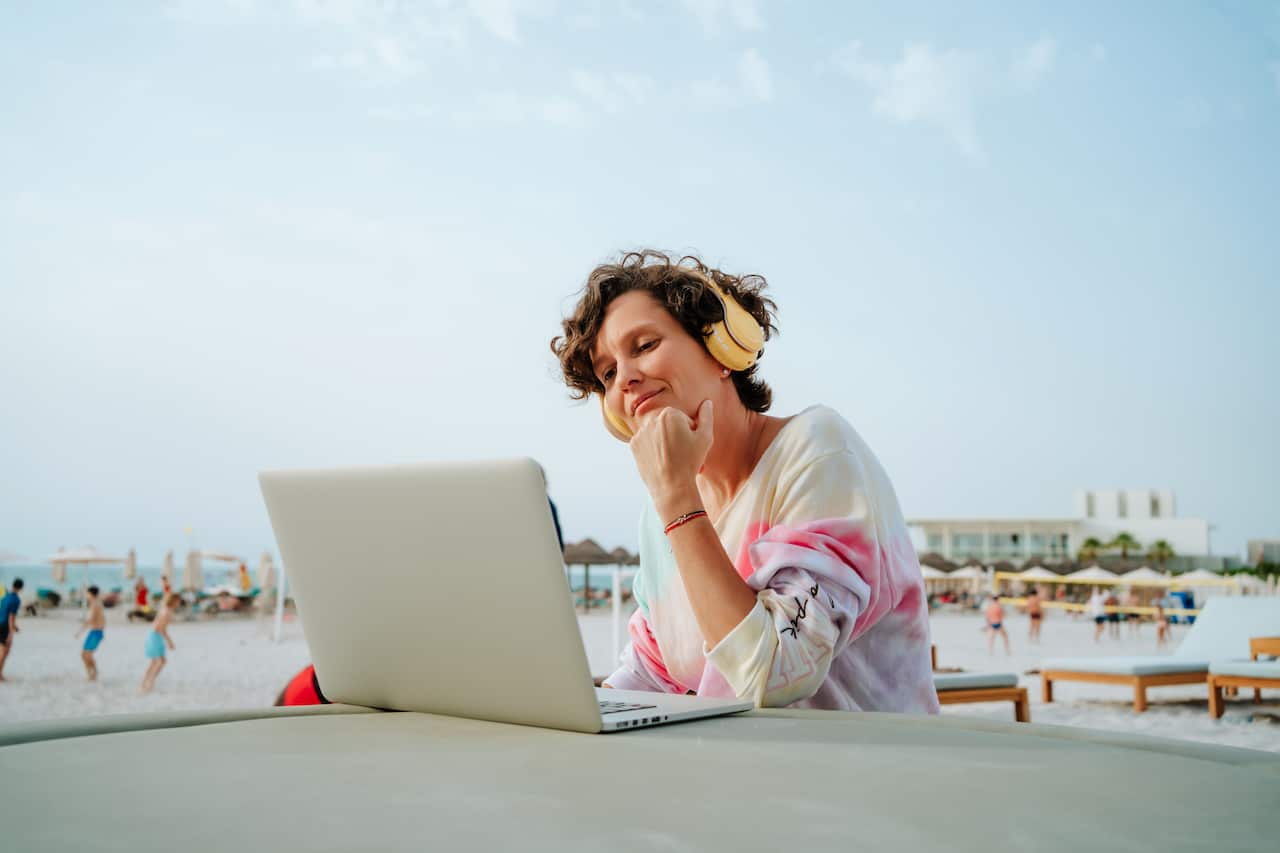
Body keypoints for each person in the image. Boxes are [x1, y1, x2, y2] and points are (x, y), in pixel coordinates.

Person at [551, 251, 938, 712]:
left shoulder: (818, 449)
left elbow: (775, 673)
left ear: (721, 351)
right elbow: (654, 670)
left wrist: (676, 500)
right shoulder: (662, 515)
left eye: (644, 345)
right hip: (736, 776)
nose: (627, 379)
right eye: (608, 373)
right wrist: (576, 711)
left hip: (862, 775)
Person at [140, 593, 180, 694]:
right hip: (155, 636)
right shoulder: (167, 611)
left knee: (158, 661)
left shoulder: (165, 609)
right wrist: (170, 642)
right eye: (178, 601)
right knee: (159, 661)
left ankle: (147, 682)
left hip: (154, 635)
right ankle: (148, 683)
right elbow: (161, 628)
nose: (179, 603)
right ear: (174, 601)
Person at [76, 585, 107, 681]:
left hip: (96, 632)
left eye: (87, 593)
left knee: (87, 655)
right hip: (95, 631)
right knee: (84, 655)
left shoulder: (95, 604)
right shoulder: (96, 603)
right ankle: (91, 673)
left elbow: (91, 619)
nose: (86, 595)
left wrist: (80, 631)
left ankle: (93, 673)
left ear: (91, 594)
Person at [0, 578, 23, 682]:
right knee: (5, 652)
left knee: (2, 650)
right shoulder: (16, 599)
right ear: (21, 588)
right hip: (5, 626)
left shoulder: (5, 597)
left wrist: (15, 626)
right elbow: (11, 617)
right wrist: (11, 633)